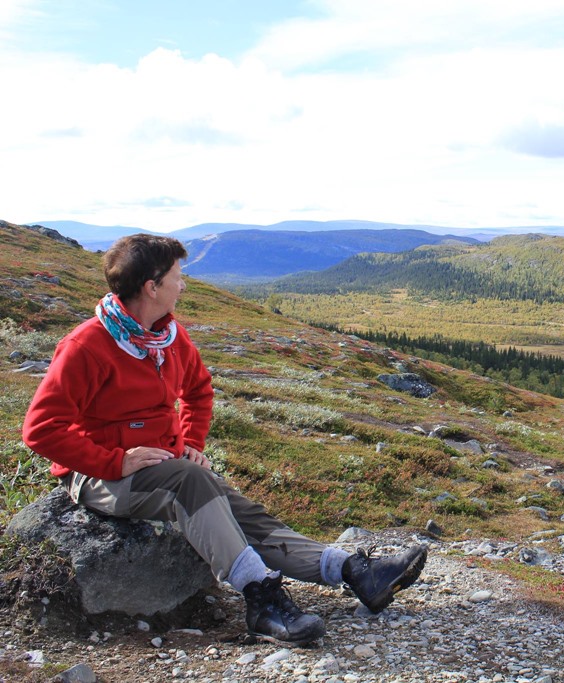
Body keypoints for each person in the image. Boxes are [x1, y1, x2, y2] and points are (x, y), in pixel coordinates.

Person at [22, 233, 426, 645]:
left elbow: (198, 390)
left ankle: (354, 572)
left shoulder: (168, 338)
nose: (183, 285)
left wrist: (192, 445)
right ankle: (260, 598)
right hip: (97, 476)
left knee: (236, 508)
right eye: (178, 277)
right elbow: (40, 428)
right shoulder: (86, 346)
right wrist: (115, 463)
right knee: (193, 483)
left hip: (161, 467)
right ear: (152, 287)